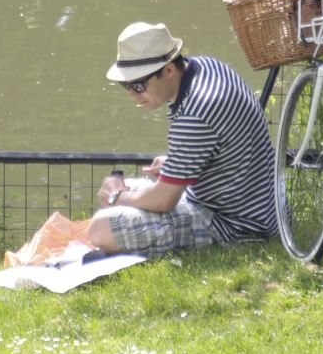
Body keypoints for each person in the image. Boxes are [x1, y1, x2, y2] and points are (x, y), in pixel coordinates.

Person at [88, 21, 275, 256]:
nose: (133, 95)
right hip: (261, 204)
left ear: (168, 70)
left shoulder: (195, 112)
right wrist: (176, 163)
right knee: (126, 192)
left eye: (138, 84)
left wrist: (118, 197)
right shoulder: (208, 67)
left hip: (236, 224)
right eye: (126, 85)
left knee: (101, 227)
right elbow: (226, 146)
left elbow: (164, 201)